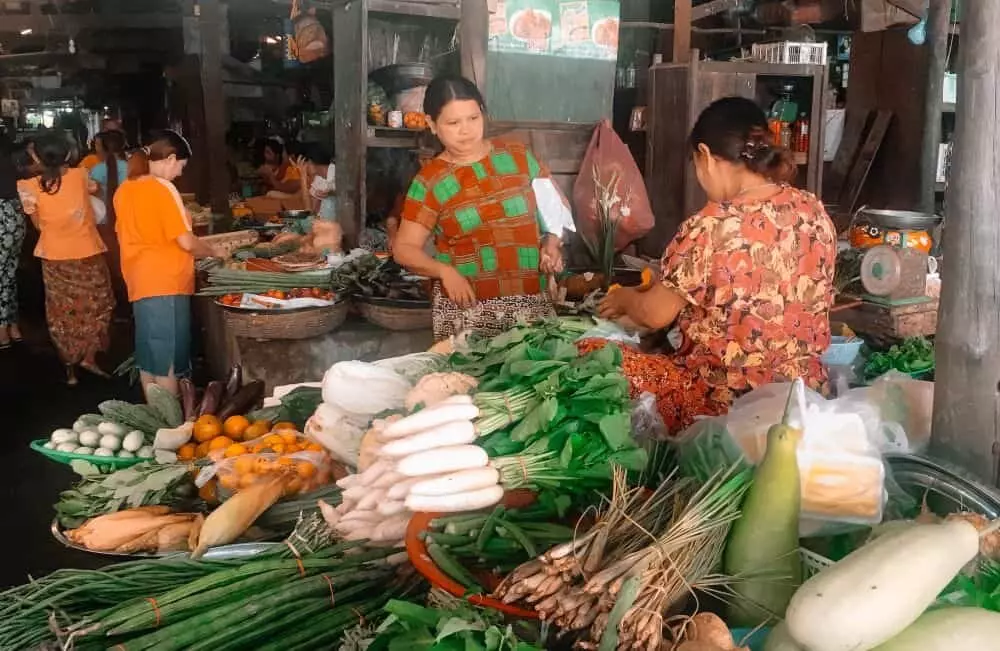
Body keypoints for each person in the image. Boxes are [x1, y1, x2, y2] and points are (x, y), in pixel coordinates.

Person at [593, 96, 836, 433]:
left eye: (695, 163)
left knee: (594, 356)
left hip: (724, 401)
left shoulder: (710, 225)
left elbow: (652, 314)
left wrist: (625, 298)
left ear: (705, 155)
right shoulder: (812, 210)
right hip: (804, 391)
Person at [392, 75, 564, 340]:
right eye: (453, 122)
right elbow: (403, 250)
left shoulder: (519, 157)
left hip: (531, 307)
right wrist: (444, 272)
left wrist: (552, 243)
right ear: (432, 125)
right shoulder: (430, 181)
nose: (466, 130)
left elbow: (555, 210)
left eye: (473, 118)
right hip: (468, 314)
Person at [114, 130, 217, 396]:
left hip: (139, 281)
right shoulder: (162, 188)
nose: (180, 173)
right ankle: (172, 424)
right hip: (166, 283)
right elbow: (186, 241)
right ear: (171, 158)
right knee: (169, 361)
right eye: (181, 166)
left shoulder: (125, 188)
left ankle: (157, 420)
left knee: (150, 358)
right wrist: (213, 251)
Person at [17, 132, 114, 385]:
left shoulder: (27, 187)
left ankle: (70, 367)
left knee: (62, 312)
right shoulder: (81, 176)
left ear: (36, 156)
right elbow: (97, 191)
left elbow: (38, 225)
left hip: (54, 257)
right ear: (69, 154)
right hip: (88, 253)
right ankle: (89, 357)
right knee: (97, 306)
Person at [89, 130, 129, 306]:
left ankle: (117, 306)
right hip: (129, 223)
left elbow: (93, 199)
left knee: (111, 268)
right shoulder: (131, 167)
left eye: (97, 145)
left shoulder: (97, 170)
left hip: (106, 226)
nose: (95, 149)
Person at [0, 133, 26, 349]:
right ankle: (13, 325)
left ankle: (2, 330)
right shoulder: (9, 163)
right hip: (15, 216)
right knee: (9, 273)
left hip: (1, 218)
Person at [292, 143, 336, 221]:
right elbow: (310, 213)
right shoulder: (318, 180)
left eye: (301, 165)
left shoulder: (336, 173)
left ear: (309, 161)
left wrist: (332, 192)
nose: (301, 169)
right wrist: (303, 178)